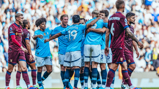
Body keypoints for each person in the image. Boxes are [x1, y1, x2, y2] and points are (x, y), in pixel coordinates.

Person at [44, 15, 101, 89]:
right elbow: (90, 24)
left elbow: (58, 34)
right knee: (77, 68)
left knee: (67, 68)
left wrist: (49, 39)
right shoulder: (80, 27)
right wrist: (98, 18)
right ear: (78, 21)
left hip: (68, 51)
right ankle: (75, 86)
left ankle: (66, 86)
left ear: (72, 20)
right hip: (76, 51)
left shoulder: (68, 28)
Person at [105, 0, 143, 89]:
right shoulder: (122, 18)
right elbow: (128, 32)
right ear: (123, 6)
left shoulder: (111, 17)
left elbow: (107, 33)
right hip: (119, 45)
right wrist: (138, 41)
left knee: (123, 66)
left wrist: (107, 46)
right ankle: (109, 87)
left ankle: (129, 86)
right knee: (114, 66)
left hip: (113, 45)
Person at [6, 13, 35, 89]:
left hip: (20, 51)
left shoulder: (21, 28)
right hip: (13, 50)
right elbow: (13, 39)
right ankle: (7, 86)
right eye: (21, 18)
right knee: (10, 69)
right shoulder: (11, 27)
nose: (23, 19)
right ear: (17, 18)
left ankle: (29, 86)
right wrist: (21, 47)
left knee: (24, 68)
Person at [83, 10, 107, 89]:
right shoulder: (102, 22)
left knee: (86, 65)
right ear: (99, 15)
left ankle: (85, 85)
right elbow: (105, 29)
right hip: (96, 45)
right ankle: (94, 85)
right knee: (94, 65)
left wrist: (90, 29)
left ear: (92, 14)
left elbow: (85, 31)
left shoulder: (88, 22)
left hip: (87, 44)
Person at [51, 14, 73, 89]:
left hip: (70, 51)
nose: (66, 21)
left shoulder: (70, 28)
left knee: (71, 68)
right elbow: (51, 35)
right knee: (63, 67)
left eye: (67, 19)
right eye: (65, 19)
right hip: (62, 50)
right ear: (61, 20)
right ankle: (65, 85)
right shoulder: (57, 29)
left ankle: (67, 82)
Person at [16, 20, 38, 89]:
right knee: (33, 67)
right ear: (27, 25)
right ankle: (33, 85)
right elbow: (27, 43)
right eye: (29, 23)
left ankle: (18, 86)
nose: (29, 25)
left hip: (19, 52)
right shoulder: (26, 32)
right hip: (26, 52)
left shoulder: (18, 32)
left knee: (20, 69)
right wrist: (30, 54)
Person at [33, 18, 52, 89]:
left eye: (45, 23)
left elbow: (54, 33)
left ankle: (41, 80)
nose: (44, 25)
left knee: (50, 70)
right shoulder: (37, 32)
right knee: (40, 70)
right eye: (42, 24)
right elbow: (33, 37)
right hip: (39, 54)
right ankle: (40, 85)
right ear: (39, 25)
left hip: (47, 54)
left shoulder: (48, 30)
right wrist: (37, 36)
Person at [121, 12, 140, 88]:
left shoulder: (132, 28)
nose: (134, 19)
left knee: (129, 68)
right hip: (124, 49)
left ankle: (125, 85)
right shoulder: (123, 27)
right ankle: (124, 83)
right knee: (132, 66)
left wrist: (136, 50)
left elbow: (132, 40)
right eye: (133, 18)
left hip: (130, 49)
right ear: (128, 19)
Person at [79, 18, 86, 89]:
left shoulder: (87, 31)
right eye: (80, 23)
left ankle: (86, 84)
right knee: (81, 69)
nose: (81, 25)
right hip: (79, 53)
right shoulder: (77, 32)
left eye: (83, 23)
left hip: (86, 52)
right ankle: (82, 85)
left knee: (87, 69)